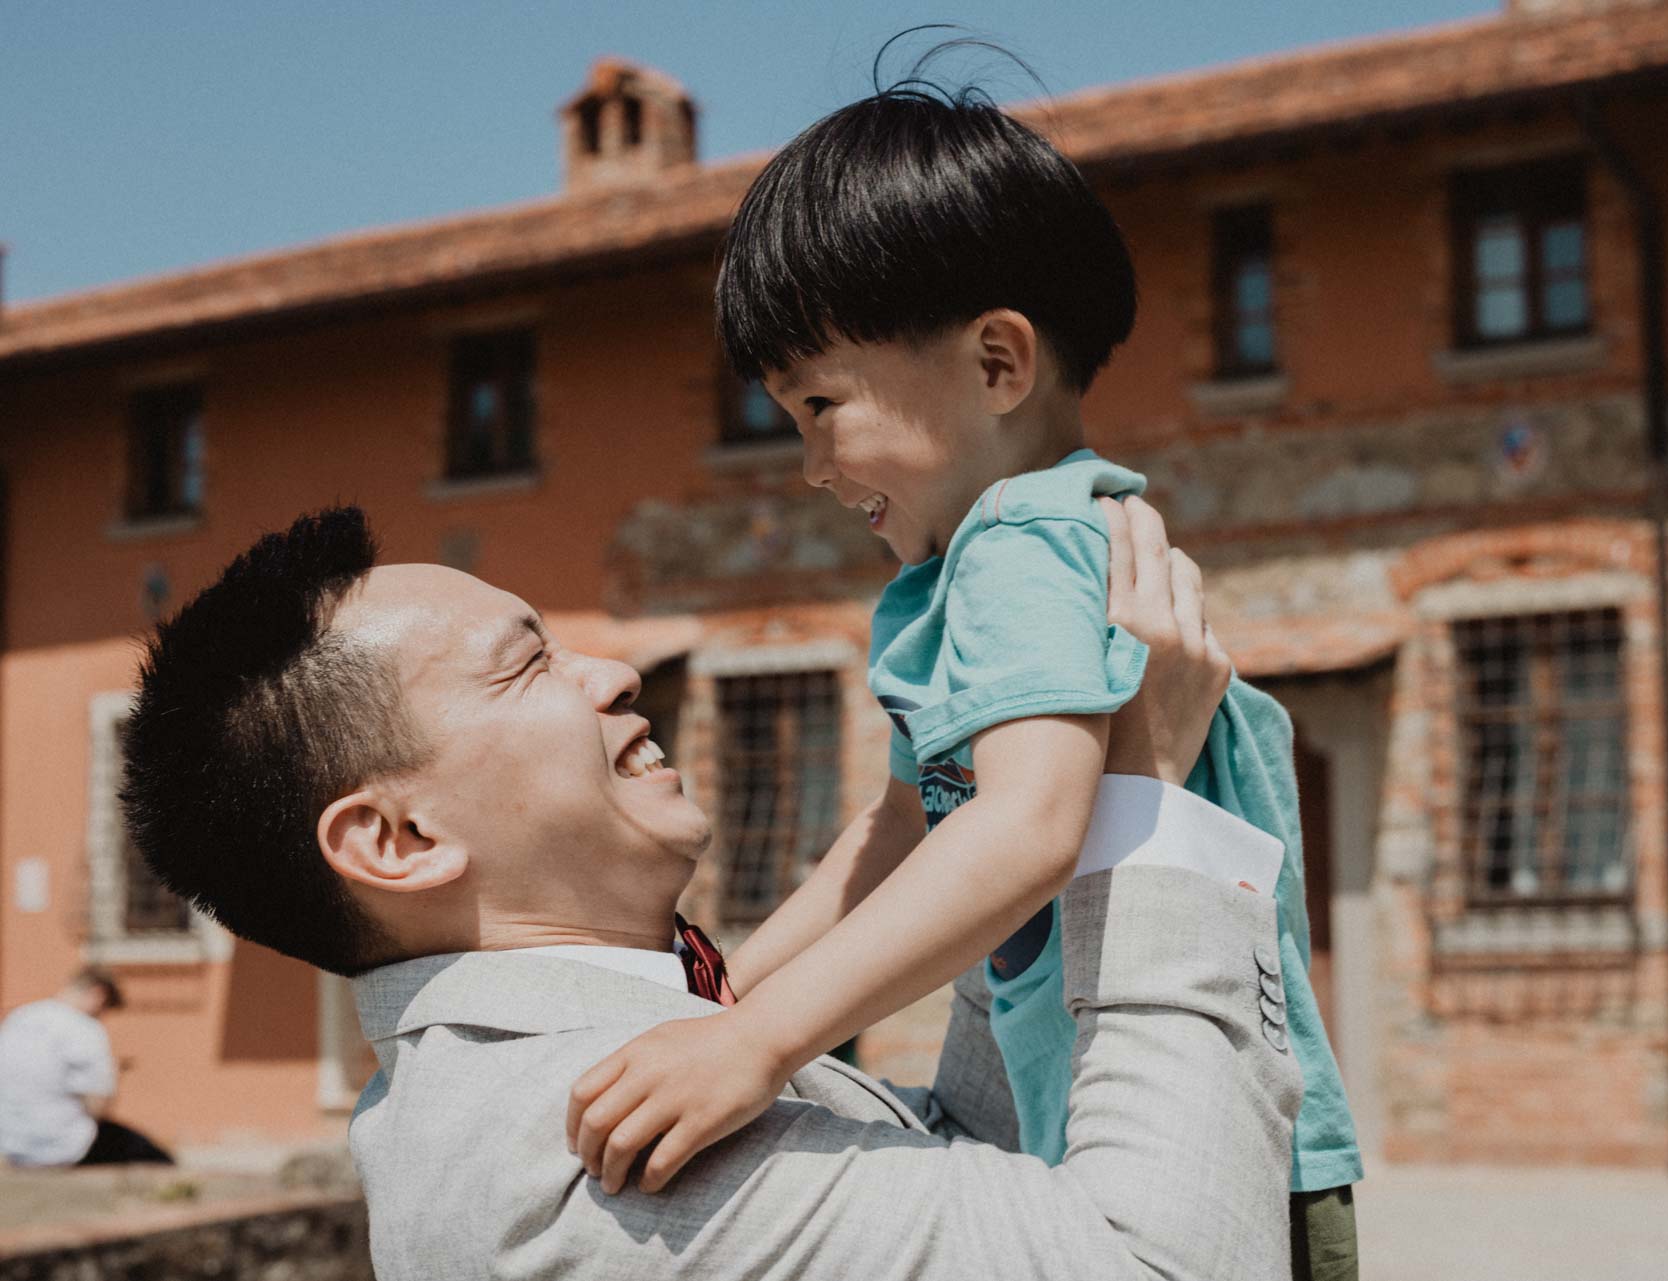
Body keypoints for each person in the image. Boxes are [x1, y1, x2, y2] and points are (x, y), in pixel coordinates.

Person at [572, 80, 1362, 1279]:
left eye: (821, 406)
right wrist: (719, 997)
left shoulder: (1024, 543)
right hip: (1085, 1114)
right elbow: (899, 824)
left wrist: (760, 1046)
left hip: (1211, 1146)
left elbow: (1028, 823)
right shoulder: (955, 576)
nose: (808, 467)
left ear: (997, 363)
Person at [118, 503, 1300, 1279]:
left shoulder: (624, 1052)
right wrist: (1148, 803)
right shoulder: (571, 1150)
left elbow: (956, 1186)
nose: (617, 672)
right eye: (529, 665)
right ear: (397, 838)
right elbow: (1164, 1264)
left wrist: (1005, 814)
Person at [0, 967, 174, 1167]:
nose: (102, 1016)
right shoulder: (84, 1028)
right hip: (63, 1147)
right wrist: (113, 1076)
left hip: (13, 1146)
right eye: (104, 1009)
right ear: (98, 995)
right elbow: (98, 1108)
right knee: (160, 1160)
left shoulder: (19, 1018)